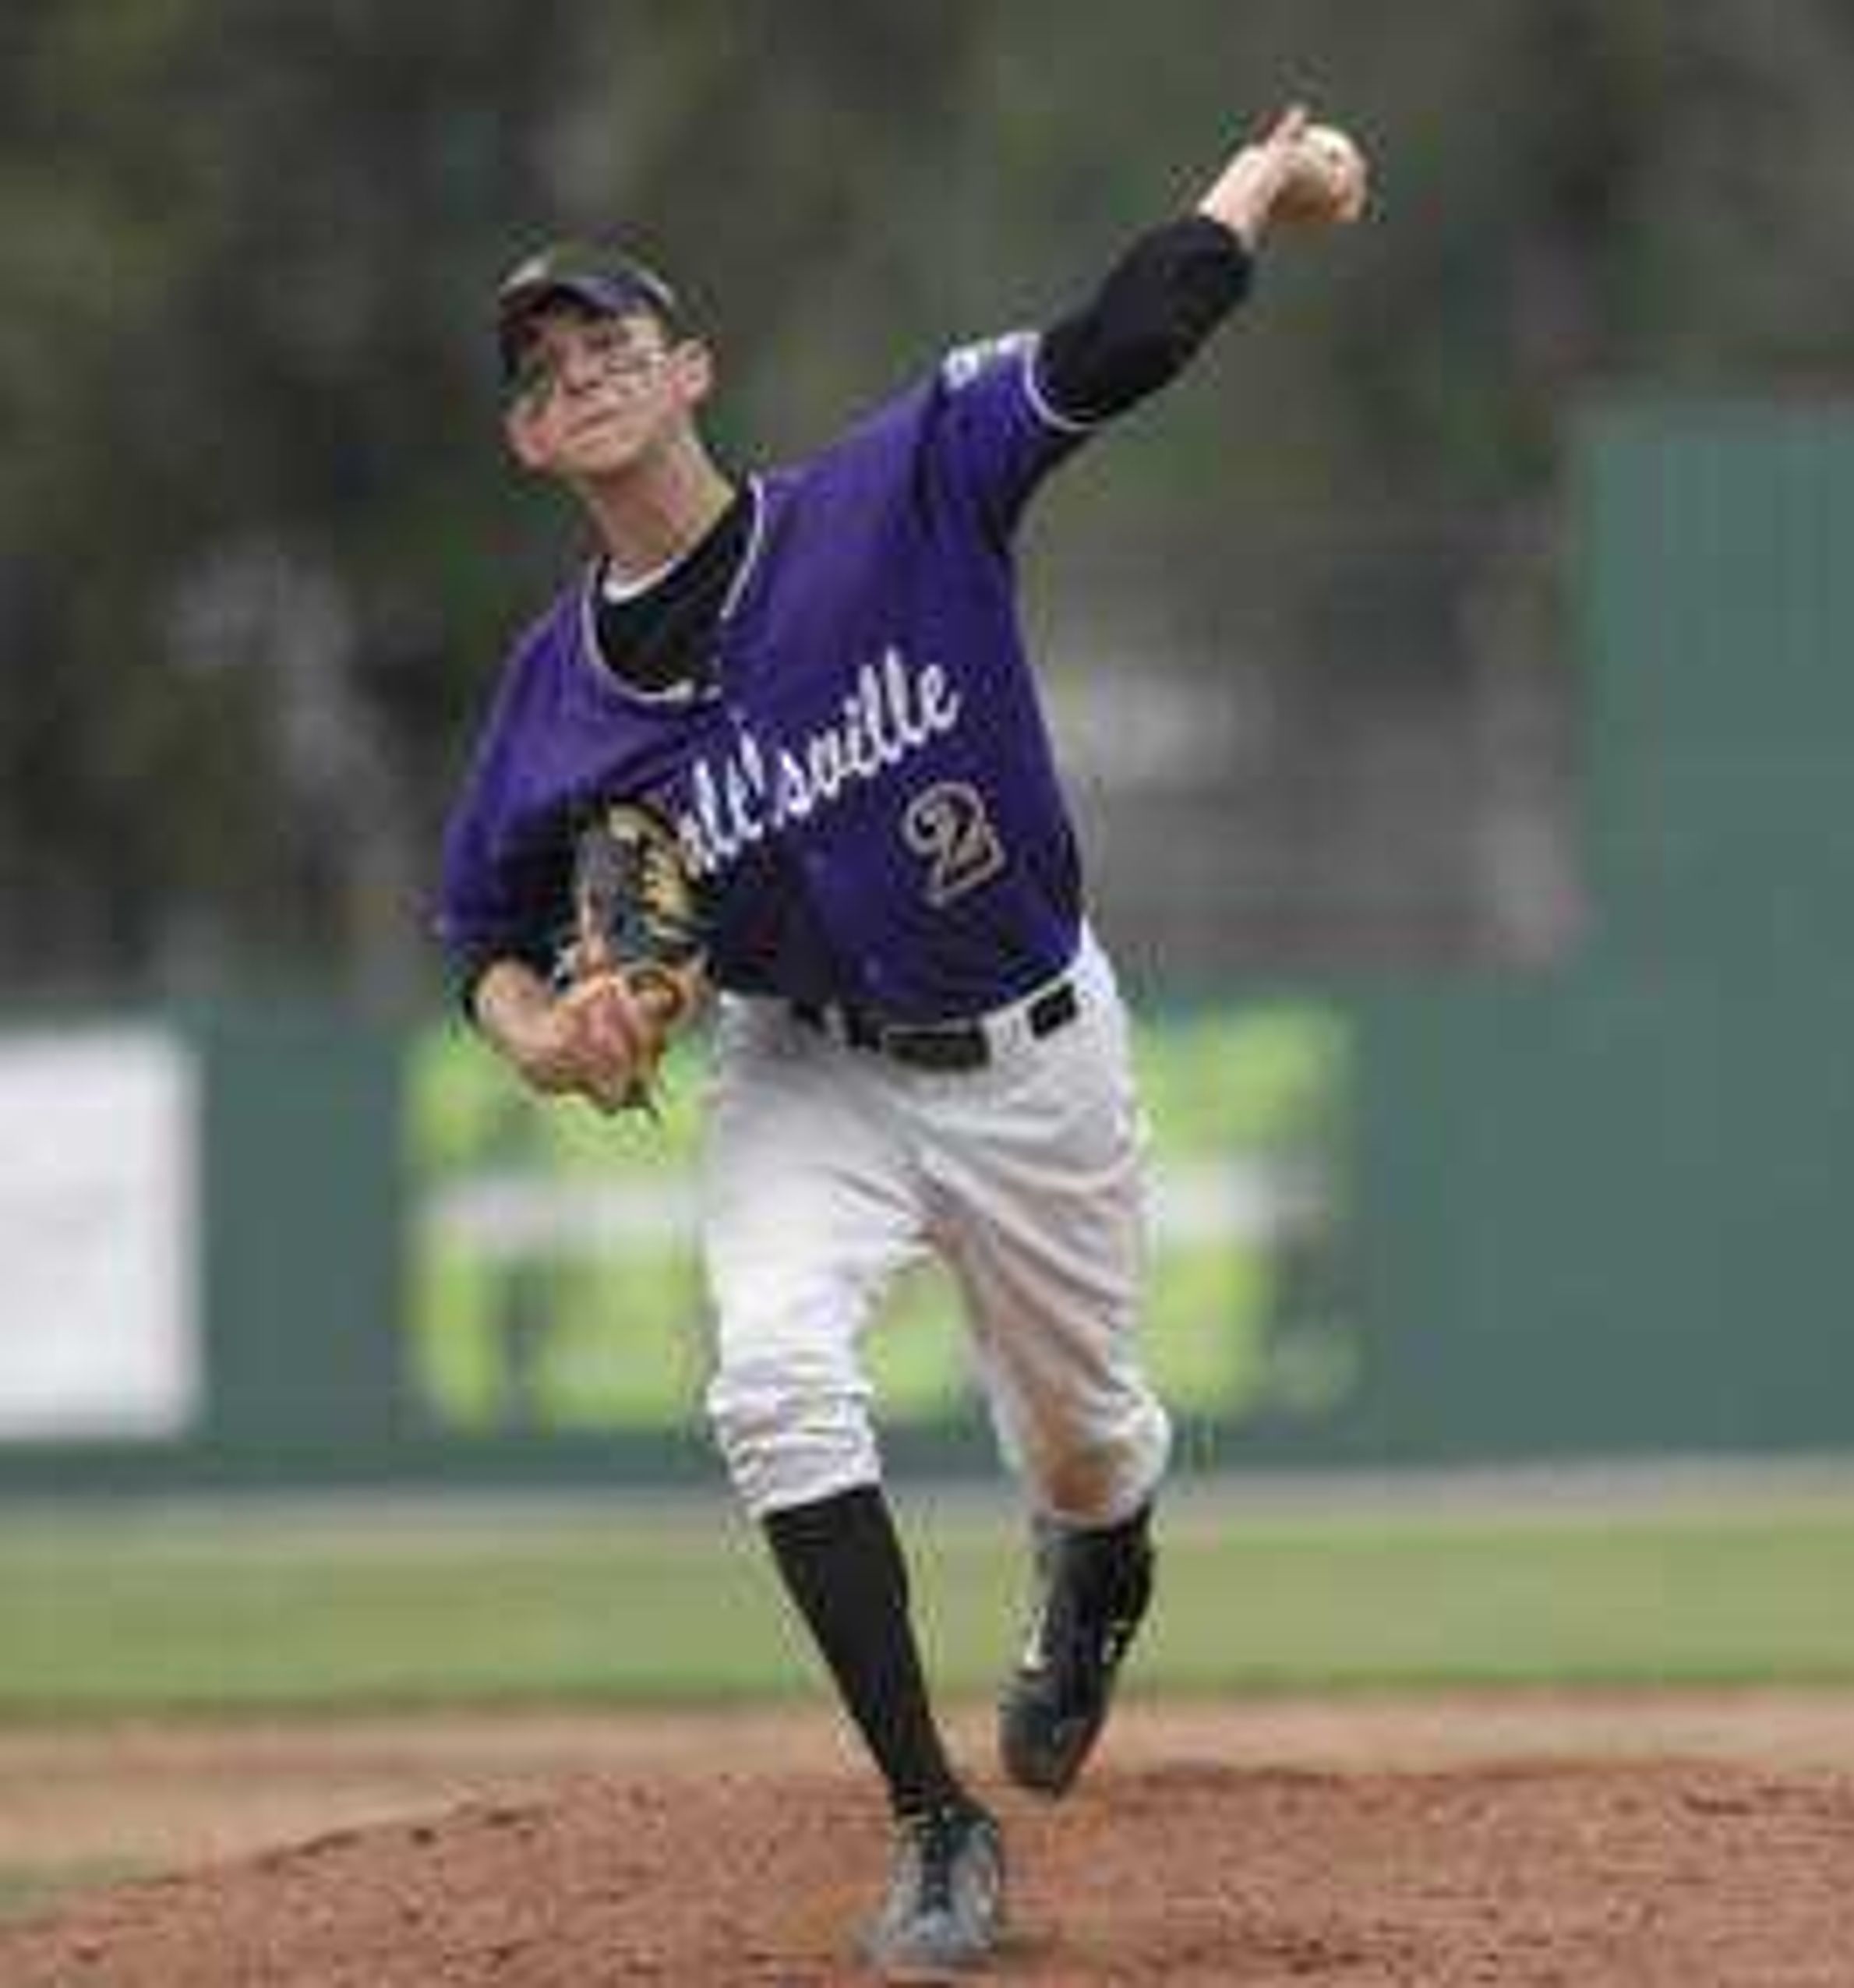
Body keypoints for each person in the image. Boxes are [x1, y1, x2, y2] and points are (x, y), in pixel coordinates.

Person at [433, 107, 1366, 1976]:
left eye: (615, 338)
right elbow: (485, 932)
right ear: (534, 439)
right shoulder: (555, 696)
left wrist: (1255, 184)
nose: (587, 373)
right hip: (803, 1066)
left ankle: (1093, 1568)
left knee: (1091, 1446)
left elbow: (1126, 336)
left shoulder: (906, 482)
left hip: (1034, 1057)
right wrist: (548, 1036)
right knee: (770, 1380)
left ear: (690, 371)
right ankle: (937, 1827)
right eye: (549, 369)